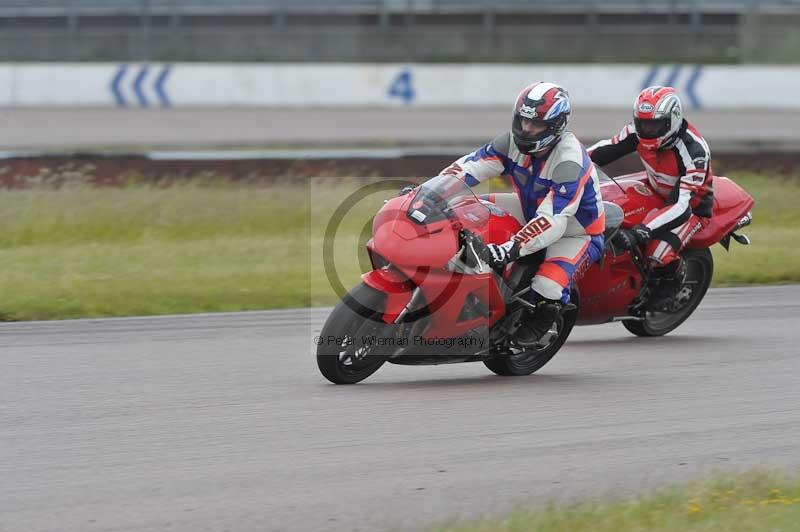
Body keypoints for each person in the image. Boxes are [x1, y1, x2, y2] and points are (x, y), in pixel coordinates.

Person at [433, 81, 605, 344]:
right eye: (523, 121)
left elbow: (554, 219)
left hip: (574, 232)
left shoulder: (570, 162)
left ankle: (546, 318)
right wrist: (426, 194)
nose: (526, 130)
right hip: (528, 208)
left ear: (556, 126)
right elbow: (468, 167)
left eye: (535, 125)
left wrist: (511, 248)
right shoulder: (510, 142)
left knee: (548, 286)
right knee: (463, 210)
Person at [588, 86, 713, 310]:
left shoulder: (695, 151)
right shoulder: (637, 132)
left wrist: (640, 232)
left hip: (690, 205)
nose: (647, 130)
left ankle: (672, 281)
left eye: (655, 124)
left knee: (657, 253)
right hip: (655, 188)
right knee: (609, 208)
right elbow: (605, 149)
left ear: (672, 120)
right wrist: (570, 161)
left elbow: (682, 205)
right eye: (643, 123)